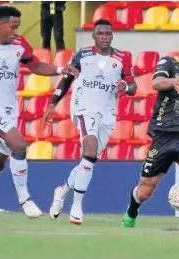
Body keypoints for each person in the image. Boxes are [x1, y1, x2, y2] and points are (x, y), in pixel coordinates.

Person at [0, 6, 78, 223]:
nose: (16, 31)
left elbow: (36, 66)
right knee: (19, 145)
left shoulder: (19, 44)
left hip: (9, 111)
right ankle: (24, 200)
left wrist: (61, 70)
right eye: (13, 27)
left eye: (18, 27)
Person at [43, 19, 137, 225]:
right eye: (100, 33)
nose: (104, 37)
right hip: (84, 109)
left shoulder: (123, 57)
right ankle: (77, 207)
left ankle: (61, 191)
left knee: (88, 160)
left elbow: (133, 87)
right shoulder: (82, 55)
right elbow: (67, 78)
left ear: (111, 36)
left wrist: (126, 86)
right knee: (90, 149)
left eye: (108, 34)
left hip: (107, 113)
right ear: (94, 36)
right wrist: (52, 103)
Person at [121, 32, 179, 229]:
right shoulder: (168, 63)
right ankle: (131, 211)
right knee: (145, 190)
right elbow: (156, 83)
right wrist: (171, 82)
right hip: (164, 135)